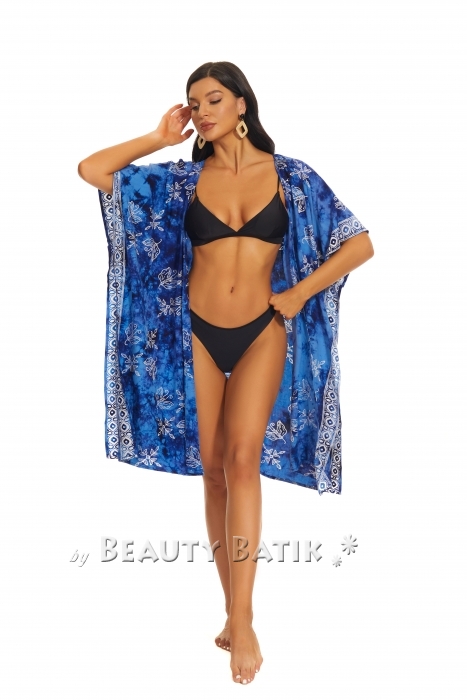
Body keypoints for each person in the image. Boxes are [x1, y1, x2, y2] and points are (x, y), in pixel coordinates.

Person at [78, 61, 374, 686]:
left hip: (262, 330)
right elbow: (92, 170)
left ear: (242, 104)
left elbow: (359, 244)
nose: (202, 111)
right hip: (195, 331)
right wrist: (158, 138)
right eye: (194, 103)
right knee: (213, 473)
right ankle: (231, 611)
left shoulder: (291, 177)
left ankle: (244, 619)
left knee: (243, 463)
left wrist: (298, 295)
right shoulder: (182, 181)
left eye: (213, 99)